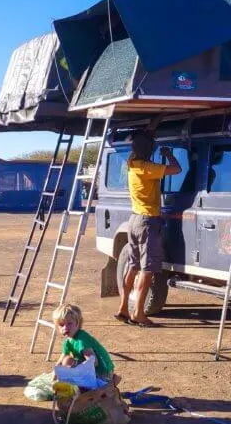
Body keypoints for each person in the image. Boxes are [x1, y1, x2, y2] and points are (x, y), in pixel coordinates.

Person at [115, 128, 181, 327]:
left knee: (133, 266)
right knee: (148, 269)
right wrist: (169, 155)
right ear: (149, 150)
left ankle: (124, 307)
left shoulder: (132, 164)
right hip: (147, 222)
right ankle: (138, 314)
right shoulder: (147, 167)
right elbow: (176, 169)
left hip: (134, 219)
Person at [53, 303, 115, 382]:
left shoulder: (82, 340)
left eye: (69, 323)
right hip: (93, 371)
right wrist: (56, 371)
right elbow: (62, 358)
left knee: (68, 362)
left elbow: (93, 362)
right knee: (65, 362)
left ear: (77, 323)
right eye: (61, 325)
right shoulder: (68, 341)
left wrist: (73, 370)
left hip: (103, 374)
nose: (65, 328)